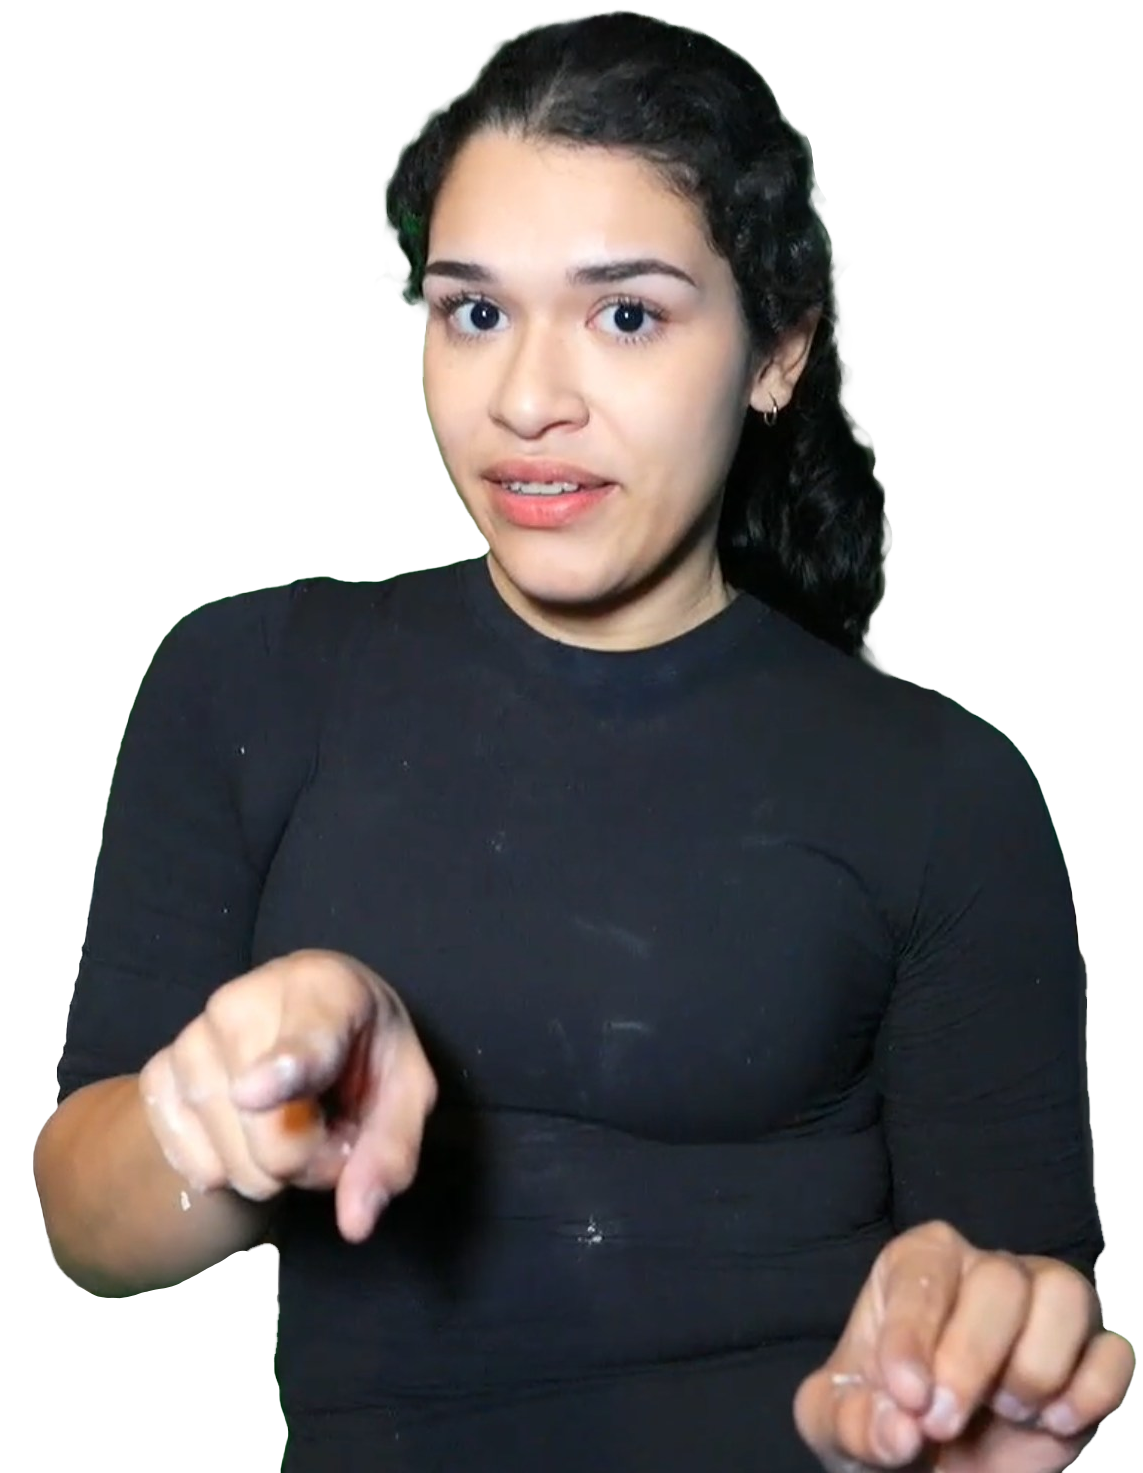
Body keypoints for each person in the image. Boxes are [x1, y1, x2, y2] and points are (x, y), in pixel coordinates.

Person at [30, 9, 1135, 1472]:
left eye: (626, 317)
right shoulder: (247, 685)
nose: (527, 401)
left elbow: (1009, 1321)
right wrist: (227, 1126)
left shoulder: (945, 791)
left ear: (777, 350)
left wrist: (953, 1390)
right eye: (473, 313)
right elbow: (84, 1223)